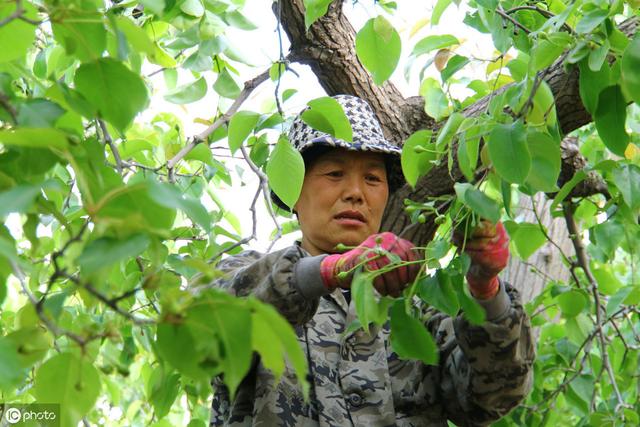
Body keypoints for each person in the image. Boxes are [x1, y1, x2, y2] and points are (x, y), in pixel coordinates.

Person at [209, 95, 534, 426]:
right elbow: (207, 334)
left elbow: (492, 398)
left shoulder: (417, 310)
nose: (355, 192)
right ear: (292, 192)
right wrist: (331, 270)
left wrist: (485, 290)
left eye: (373, 179)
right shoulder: (242, 281)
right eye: (335, 173)